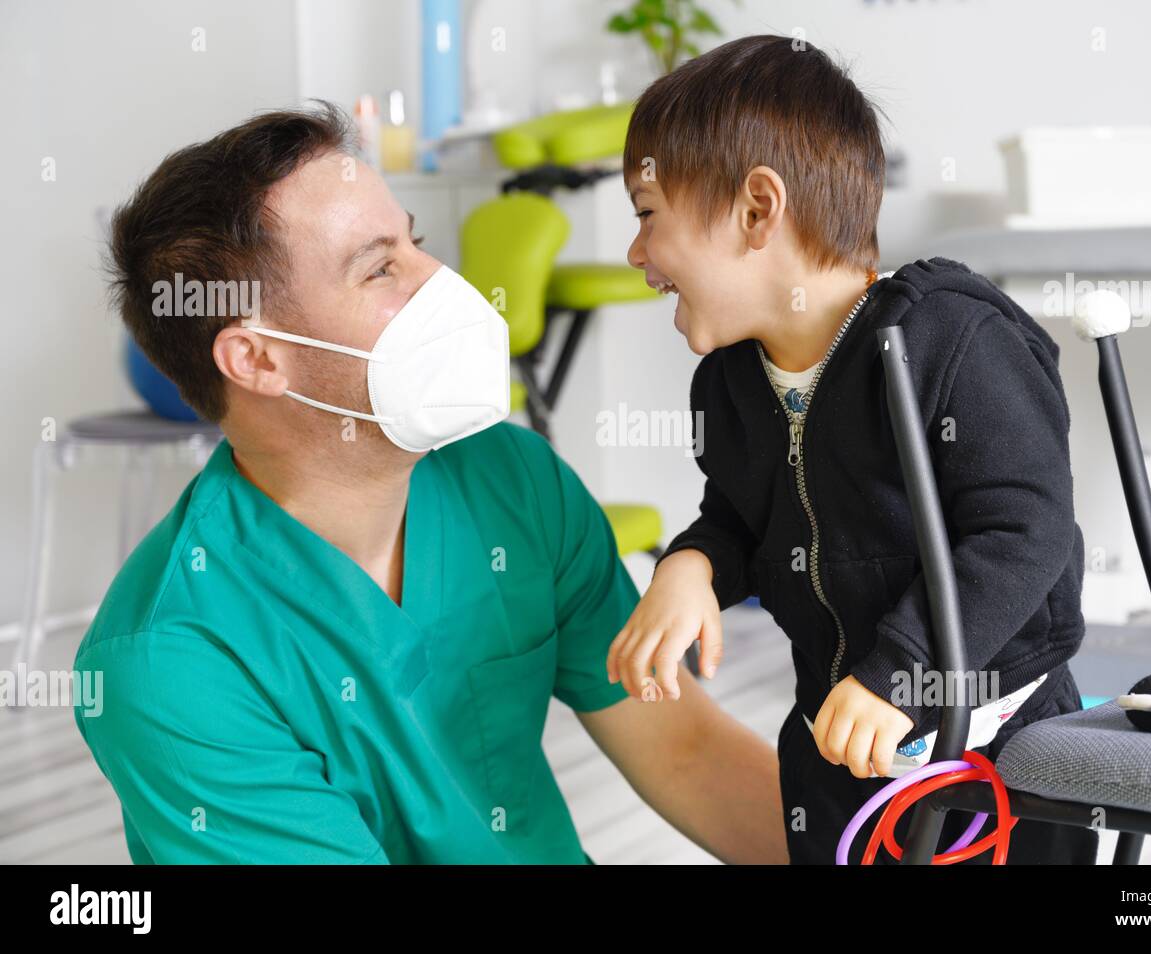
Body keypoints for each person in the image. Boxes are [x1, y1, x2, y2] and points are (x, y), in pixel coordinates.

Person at [73, 103, 786, 864]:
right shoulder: (169, 662)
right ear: (256, 360)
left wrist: (861, 849)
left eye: (416, 244)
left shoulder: (513, 480)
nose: (443, 282)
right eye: (380, 267)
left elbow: (686, 755)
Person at [609, 34, 1099, 865]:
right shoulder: (731, 386)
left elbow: (1026, 533)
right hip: (835, 743)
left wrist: (900, 673)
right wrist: (693, 564)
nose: (636, 254)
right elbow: (738, 520)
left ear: (758, 210)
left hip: (1001, 746)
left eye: (647, 216)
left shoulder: (953, 340)